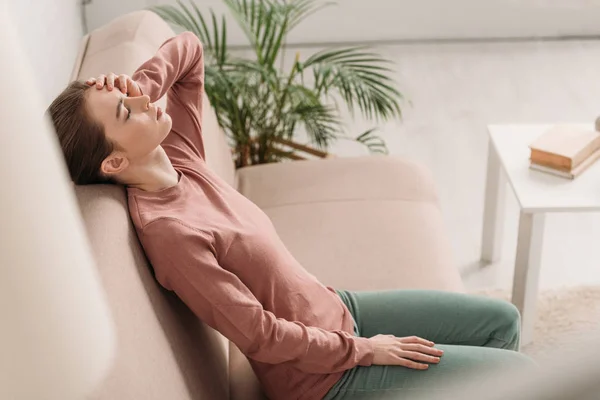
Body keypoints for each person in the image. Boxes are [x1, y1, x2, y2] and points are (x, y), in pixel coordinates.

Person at [46, 32, 534, 400]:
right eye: (126, 113)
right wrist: (369, 350)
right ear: (113, 164)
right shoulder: (170, 233)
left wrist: (137, 88)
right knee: (525, 378)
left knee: (502, 322)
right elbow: (258, 332)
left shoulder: (179, 154)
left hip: (339, 307)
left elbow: (189, 50)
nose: (142, 101)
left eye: (131, 95)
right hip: (322, 377)